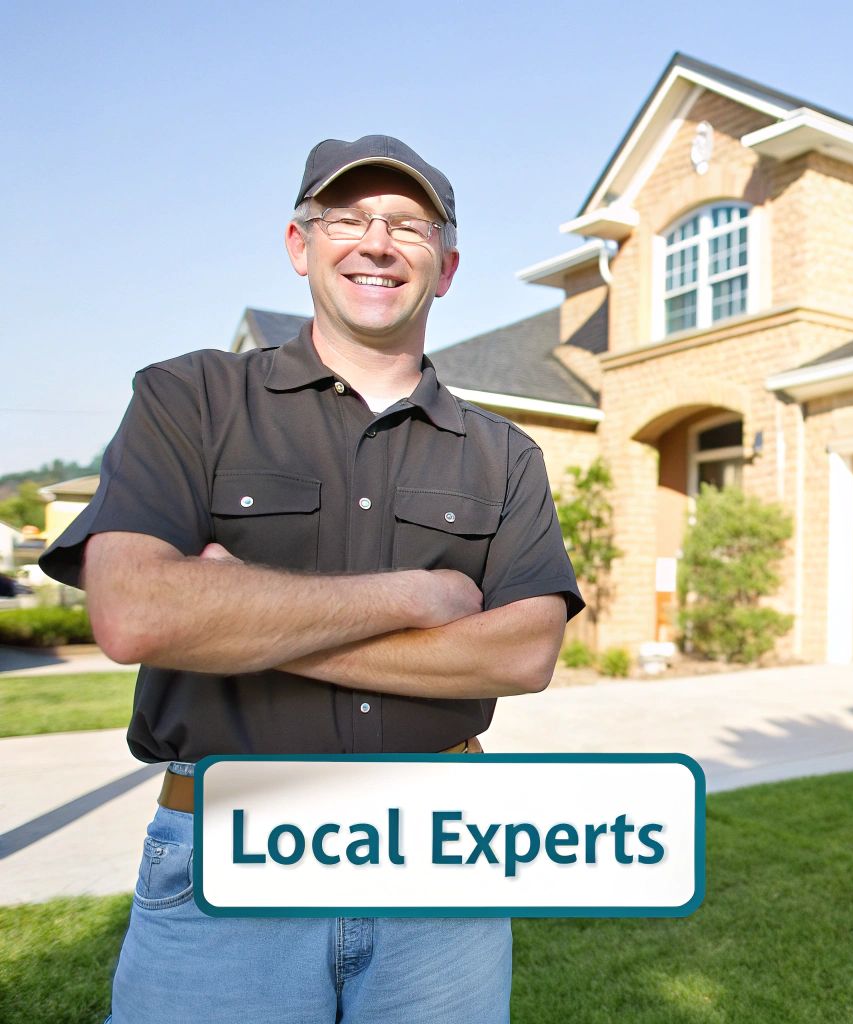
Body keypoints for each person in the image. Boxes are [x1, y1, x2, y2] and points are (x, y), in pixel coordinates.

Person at [39, 135, 583, 1024]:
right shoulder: (190, 400)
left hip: (439, 856)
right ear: (300, 246)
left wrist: (237, 626)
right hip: (231, 852)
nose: (377, 242)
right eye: (347, 218)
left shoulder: (505, 455)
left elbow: (524, 653)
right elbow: (136, 611)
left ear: (444, 268)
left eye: (408, 225)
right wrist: (419, 597)